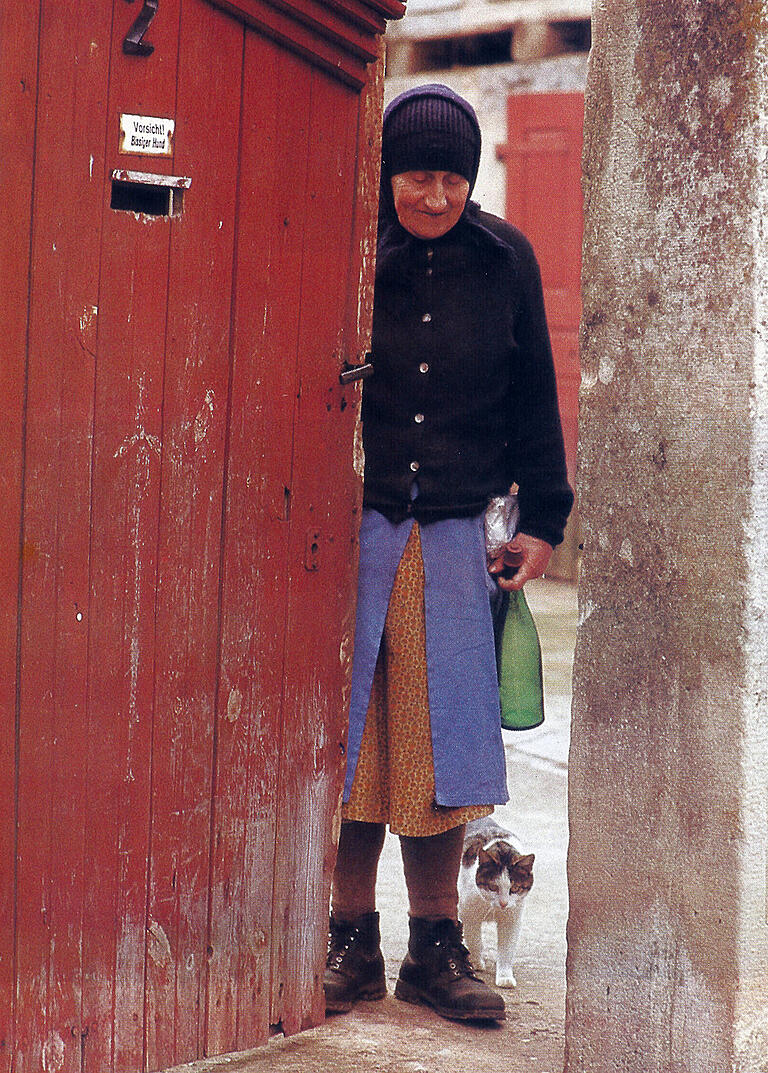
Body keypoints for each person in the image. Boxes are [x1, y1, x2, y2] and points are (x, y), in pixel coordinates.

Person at [324, 84, 573, 1023]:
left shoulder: (505, 259)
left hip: (459, 533)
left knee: (441, 749)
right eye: (416, 178)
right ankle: (351, 936)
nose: (434, 197)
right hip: (356, 527)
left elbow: (535, 396)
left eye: (452, 180)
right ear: (387, 175)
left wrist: (542, 519)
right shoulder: (352, 250)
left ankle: (438, 946)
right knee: (352, 745)